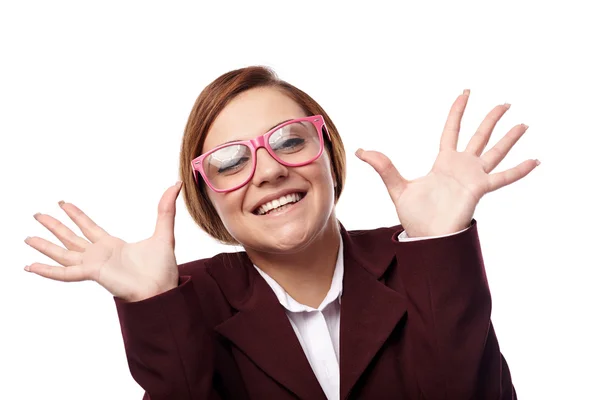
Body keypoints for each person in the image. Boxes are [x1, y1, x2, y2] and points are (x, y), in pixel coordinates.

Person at [24, 66, 538, 399]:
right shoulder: (186, 301)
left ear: (328, 152)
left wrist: (439, 248)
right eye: (230, 161)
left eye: (290, 141)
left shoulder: (419, 260)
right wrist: (154, 309)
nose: (268, 171)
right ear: (207, 195)